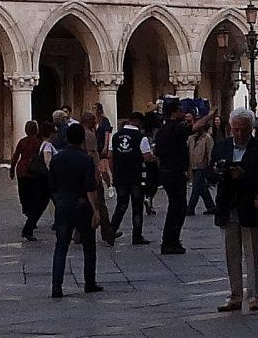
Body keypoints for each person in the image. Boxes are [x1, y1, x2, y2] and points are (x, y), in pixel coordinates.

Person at [214, 110, 258, 313]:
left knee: (253, 252)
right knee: (232, 254)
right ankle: (235, 295)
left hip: (249, 205)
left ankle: (255, 295)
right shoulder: (222, 147)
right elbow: (214, 174)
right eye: (235, 129)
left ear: (250, 129)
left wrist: (243, 176)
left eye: (243, 130)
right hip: (228, 205)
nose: (238, 133)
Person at [46, 123, 102, 297]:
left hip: (63, 205)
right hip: (82, 205)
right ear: (82, 140)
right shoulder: (85, 159)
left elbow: (52, 186)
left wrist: (60, 202)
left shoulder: (57, 159)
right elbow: (90, 188)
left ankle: (56, 285)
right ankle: (89, 282)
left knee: (61, 246)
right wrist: (96, 210)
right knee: (89, 246)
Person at [153, 105, 192, 255]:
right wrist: (209, 114)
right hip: (175, 172)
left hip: (166, 171)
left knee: (175, 207)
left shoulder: (162, 131)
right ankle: (170, 241)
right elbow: (193, 128)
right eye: (180, 111)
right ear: (174, 113)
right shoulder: (177, 128)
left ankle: (171, 240)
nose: (183, 113)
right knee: (178, 207)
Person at [104, 113, 146, 243]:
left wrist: (113, 173)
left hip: (120, 176)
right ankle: (137, 235)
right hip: (136, 176)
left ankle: (111, 230)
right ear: (138, 122)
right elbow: (147, 156)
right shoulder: (141, 137)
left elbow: (110, 156)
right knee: (137, 206)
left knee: (121, 204)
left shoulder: (115, 136)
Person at [12, 120, 50, 239]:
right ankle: (31, 216)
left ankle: (28, 212)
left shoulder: (22, 142)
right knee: (35, 195)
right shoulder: (39, 143)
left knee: (24, 193)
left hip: (22, 170)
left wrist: (12, 169)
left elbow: (15, 156)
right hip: (33, 172)